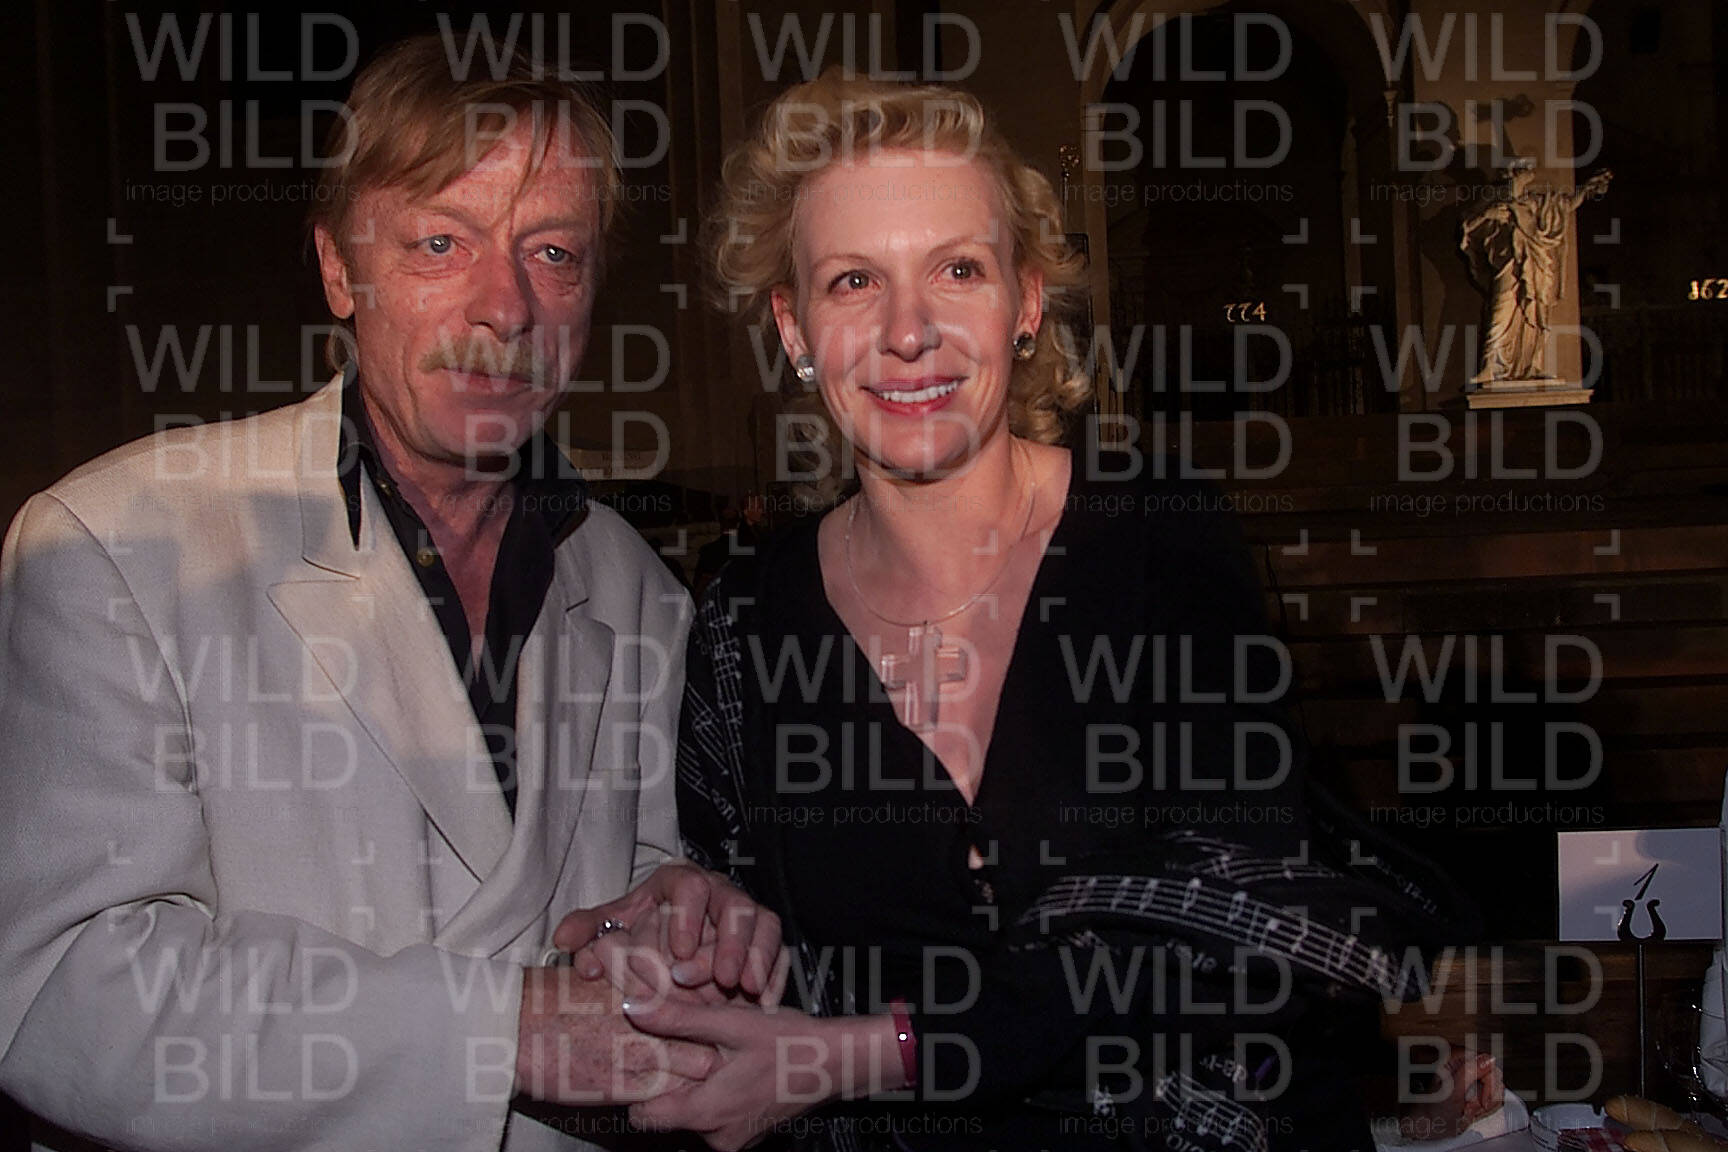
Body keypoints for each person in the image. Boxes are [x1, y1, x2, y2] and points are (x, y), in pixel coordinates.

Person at [584, 73, 1473, 1152]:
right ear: (794, 326)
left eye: (957, 269)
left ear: (1028, 302)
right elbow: (743, 937)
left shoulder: (1160, 541)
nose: (909, 331)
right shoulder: (744, 618)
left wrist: (864, 1053)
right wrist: (681, 923)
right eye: (854, 280)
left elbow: (1215, 936)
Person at [0, 34, 777, 1152]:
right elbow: (63, 990)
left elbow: (629, 878)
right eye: (440, 242)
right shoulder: (118, 548)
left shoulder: (634, 586)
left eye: (553, 252)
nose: (504, 307)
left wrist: (678, 912)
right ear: (337, 269)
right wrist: (498, 1033)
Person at [1460, 160, 1612, 383]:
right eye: (1514, 174)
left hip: (1533, 265)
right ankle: (1492, 365)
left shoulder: (1535, 202)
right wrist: (1486, 215)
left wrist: (1587, 188)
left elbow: (1565, 205)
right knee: (1500, 312)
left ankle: (1531, 365)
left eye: (1521, 174)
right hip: (1507, 267)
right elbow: (1468, 226)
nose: (1517, 178)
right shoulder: (1493, 202)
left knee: (1534, 315)